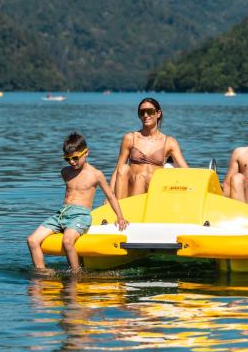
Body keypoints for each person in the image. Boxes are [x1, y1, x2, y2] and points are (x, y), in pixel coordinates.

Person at [27, 132, 128, 272]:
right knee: (32, 240)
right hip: (61, 214)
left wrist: (120, 217)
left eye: (75, 158)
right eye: (67, 159)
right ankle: (42, 273)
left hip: (81, 215)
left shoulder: (96, 174)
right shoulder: (66, 172)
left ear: (86, 153)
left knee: (67, 241)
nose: (72, 162)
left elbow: (111, 196)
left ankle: (75, 274)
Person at [110, 97, 188, 200]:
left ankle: (133, 210)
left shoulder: (169, 142)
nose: (145, 115)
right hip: (131, 186)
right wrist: (109, 195)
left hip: (152, 188)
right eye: (142, 112)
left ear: (158, 113)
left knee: (141, 178)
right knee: (124, 169)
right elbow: (118, 170)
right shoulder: (130, 138)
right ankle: (118, 209)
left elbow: (186, 170)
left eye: (150, 112)